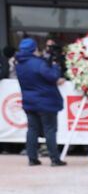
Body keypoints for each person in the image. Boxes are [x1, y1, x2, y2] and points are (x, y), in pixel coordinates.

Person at [15, 38, 66, 167]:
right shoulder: (38, 63)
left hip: (29, 101)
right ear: (34, 49)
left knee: (32, 130)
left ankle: (32, 158)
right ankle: (55, 159)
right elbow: (53, 76)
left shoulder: (19, 64)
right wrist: (55, 66)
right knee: (50, 130)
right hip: (46, 102)